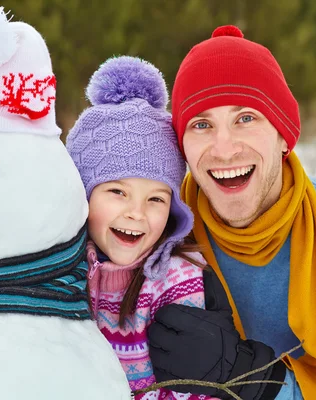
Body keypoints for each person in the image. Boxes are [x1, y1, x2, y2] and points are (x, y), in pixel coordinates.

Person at [147, 25, 316, 399]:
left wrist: (251, 379)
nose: (224, 149)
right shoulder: (163, 228)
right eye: (201, 124)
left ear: (283, 135)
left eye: (245, 118)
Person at [66, 56, 212, 399]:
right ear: (84, 195)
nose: (137, 213)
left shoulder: (174, 281)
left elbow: (191, 390)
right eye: (117, 192)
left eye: (156, 199)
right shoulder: (63, 266)